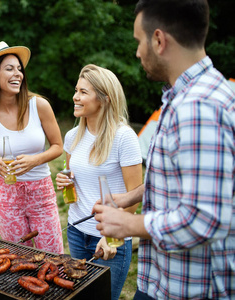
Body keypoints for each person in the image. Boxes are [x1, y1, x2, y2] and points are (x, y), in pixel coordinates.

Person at [93, 1, 235, 299]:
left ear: (158, 40)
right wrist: (134, 196)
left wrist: (129, 223)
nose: (137, 52)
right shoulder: (193, 95)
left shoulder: (197, 107)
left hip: (190, 288)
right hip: (163, 277)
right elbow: (191, 179)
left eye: (138, 41)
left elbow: (204, 218)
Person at [55, 64, 142, 300]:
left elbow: (135, 195)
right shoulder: (72, 136)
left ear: (104, 99)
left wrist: (112, 232)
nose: (75, 96)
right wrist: (64, 178)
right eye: (76, 90)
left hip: (111, 236)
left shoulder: (124, 138)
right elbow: (71, 174)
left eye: (83, 92)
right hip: (76, 230)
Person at [0, 41, 64, 253]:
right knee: (19, 259)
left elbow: (58, 146)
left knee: (53, 256)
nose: (18, 74)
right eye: (9, 69)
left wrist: (36, 159)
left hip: (42, 193)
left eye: (19, 69)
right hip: (8, 198)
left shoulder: (39, 105)